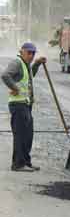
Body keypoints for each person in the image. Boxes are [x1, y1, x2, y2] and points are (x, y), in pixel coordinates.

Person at [2, 42, 46, 172]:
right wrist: (14, 88)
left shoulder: (25, 64)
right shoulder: (17, 62)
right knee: (20, 135)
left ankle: (26, 161)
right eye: (29, 53)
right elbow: (5, 75)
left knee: (28, 135)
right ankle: (18, 164)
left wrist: (37, 63)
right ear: (22, 51)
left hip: (25, 104)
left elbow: (29, 76)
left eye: (33, 53)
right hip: (18, 104)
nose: (31, 55)